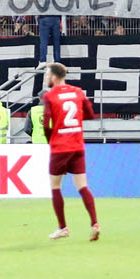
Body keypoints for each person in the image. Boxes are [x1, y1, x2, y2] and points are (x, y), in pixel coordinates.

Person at [40, 63, 100, 241]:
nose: (45, 78)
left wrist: (51, 140)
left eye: (47, 74)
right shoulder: (78, 91)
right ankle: (95, 223)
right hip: (77, 144)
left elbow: (45, 123)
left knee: (55, 186)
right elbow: (90, 114)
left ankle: (62, 227)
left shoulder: (50, 96)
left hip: (60, 146)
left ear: (54, 77)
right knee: (82, 186)